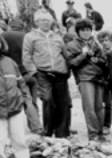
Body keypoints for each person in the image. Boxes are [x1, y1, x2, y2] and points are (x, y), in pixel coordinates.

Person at [22, 9, 70, 138]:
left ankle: (61, 133)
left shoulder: (57, 36)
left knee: (62, 103)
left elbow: (65, 55)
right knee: (48, 100)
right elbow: (26, 56)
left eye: (48, 21)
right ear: (37, 22)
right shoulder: (30, 36)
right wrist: (33, 72)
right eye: (43, 20)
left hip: (60, 73)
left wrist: (67, 70)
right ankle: (48, 132)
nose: (46, 23)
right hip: (42, 73)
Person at [0, 37, 33, 158]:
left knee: (20, 142)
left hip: (15, 109)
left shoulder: (10, 62)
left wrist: (25, 100)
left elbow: (21, 84)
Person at [66, 18, 107, 142]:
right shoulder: (72, 45)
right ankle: (93, 134)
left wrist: (98, 60)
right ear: (78, 31)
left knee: (99, 107)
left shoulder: (96, 43)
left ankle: (100, 133)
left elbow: (104, 60)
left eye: (88, 30)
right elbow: (71, 63)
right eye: (83, 30)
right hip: (85, 78)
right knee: (89, 108)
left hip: (98, 78)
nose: (86, 32)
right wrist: (84, 55)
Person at [1, 18, 43, 135]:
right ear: (22, 27)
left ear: (10, 26)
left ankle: (10, 132)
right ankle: (36, 127)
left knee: (11, 104)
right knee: (30, 102)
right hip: (30, 73)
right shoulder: (29, 36)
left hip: (13, 76)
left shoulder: (4, 36)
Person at [97, 30, 112, 135]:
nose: (104, 42)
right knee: (106, 103)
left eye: (107, 40)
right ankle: (105, 125)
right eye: (102, 41)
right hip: (104, 81)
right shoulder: (100, 52)